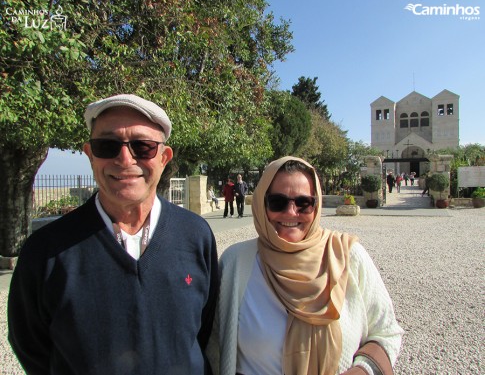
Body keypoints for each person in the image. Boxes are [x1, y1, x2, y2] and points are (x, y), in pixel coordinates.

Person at [8, 94, 219, 375]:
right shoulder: (46, 251)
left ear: (164, 158)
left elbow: (204, 328)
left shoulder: (196, 236)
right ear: (90, 154)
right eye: (107, 146)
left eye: (143, 147)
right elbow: (30, 345)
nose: (124, 158)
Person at [208, 156, 403, 375]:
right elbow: (213, 344)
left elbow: (387, 332)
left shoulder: (347, 255)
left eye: (303, 203)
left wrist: (362, 370)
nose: (291, 212)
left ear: (316, 206)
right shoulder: (236, 262)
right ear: (262, 204)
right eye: (278, 202)